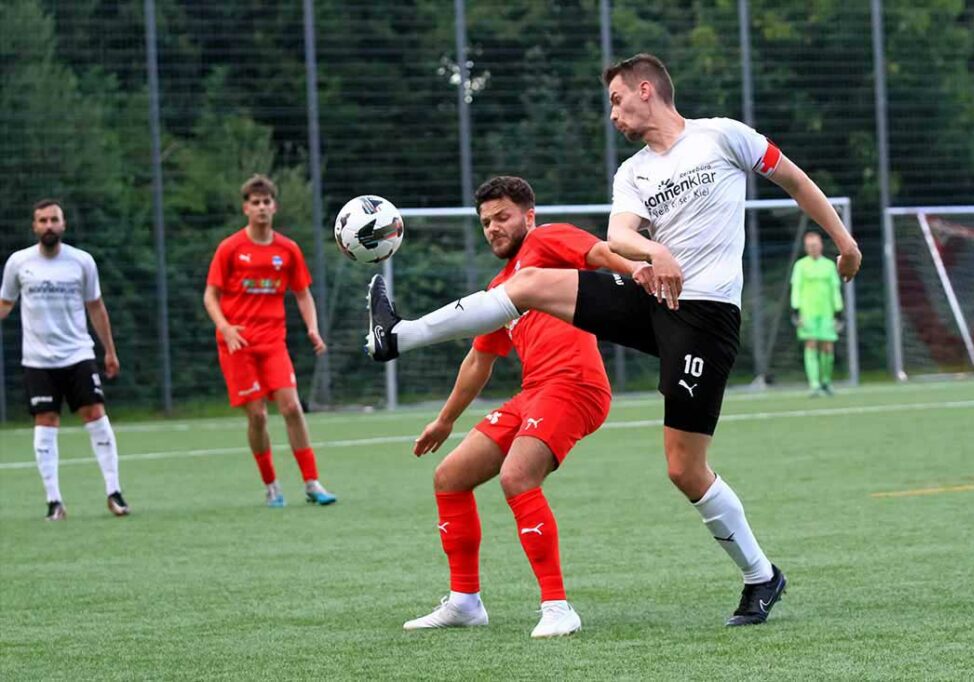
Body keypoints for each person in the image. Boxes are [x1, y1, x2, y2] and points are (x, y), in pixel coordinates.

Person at [366, 54, 862, 626]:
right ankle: (397, 337)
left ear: (644, 90)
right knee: (525, 284)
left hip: (704, 319)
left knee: (684, 468)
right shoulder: (633, 173)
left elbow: (795, 180)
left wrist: (844, 243)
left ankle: (761, 576)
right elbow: (619, 235)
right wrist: (652, 252)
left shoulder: (723, 136)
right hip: (649, 296)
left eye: (616, 101)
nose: (612, 114)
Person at [401, 176, 646, 639]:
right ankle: (465, 602)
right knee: (450, 478)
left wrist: (641, 273)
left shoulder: (546, 239)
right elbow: (479, 360)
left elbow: (598, 253)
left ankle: (558, 607)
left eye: (502, 217)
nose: (493, 228)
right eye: (486, 222)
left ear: (528, 216)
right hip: (533, 392)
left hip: (575, 385)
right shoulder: (500, 289)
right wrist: (444, 420)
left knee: (517, 477)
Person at [204, 174, 336, 508]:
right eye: (255, 203)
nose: (262, 208)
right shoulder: (230, 248)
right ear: (246, 208)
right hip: (237, 345)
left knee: (292, 407)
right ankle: (272, 486)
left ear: (274, 207)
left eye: (266, 202)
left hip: (273, 342)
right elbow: (210, 295)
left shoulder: (287, 249)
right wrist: (226, 327)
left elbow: (302, 294)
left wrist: (312, 328)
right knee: (258, 416)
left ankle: (312, 483)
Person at [0, 199, 130, 521]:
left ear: (64, 224)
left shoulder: (82, 262)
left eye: (54, 220)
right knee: (45, 422)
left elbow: (96, 307)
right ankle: (54, 501)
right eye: (42, 220)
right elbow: (5, 304)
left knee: (96, 414)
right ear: (34, 226)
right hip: (38, 359)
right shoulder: (19, 263)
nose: (48, 226)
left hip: (78, 354)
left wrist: (109, 350)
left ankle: (114, 492)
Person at [791, 231, 844, 395]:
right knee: (811, 343)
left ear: (820, 245)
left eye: (815, 245)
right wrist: (796, 310)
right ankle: (814, 384)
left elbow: (835, 289)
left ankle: (826, 381)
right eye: (809, 246)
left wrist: (838, 311)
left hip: (827, 312)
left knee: (827, 346)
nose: (812, 248)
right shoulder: (800, 265)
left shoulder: (829, 265)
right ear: (806, 248)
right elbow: (796, 288)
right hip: (808, 312)